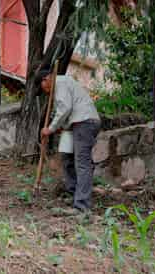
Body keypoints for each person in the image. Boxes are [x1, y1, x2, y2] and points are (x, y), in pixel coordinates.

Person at [38, 69, 101, 212]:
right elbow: (67, 111)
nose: (48, 91)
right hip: (78, 124)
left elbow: (65, 108)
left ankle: (82, 206)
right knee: (67, 158)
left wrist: (51, 128)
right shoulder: (60, 85)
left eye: (47, 88)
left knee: (82, 163)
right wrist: (61, 126)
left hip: (85, 123)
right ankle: (74, 194)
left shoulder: (60, 83)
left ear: (47, 79)